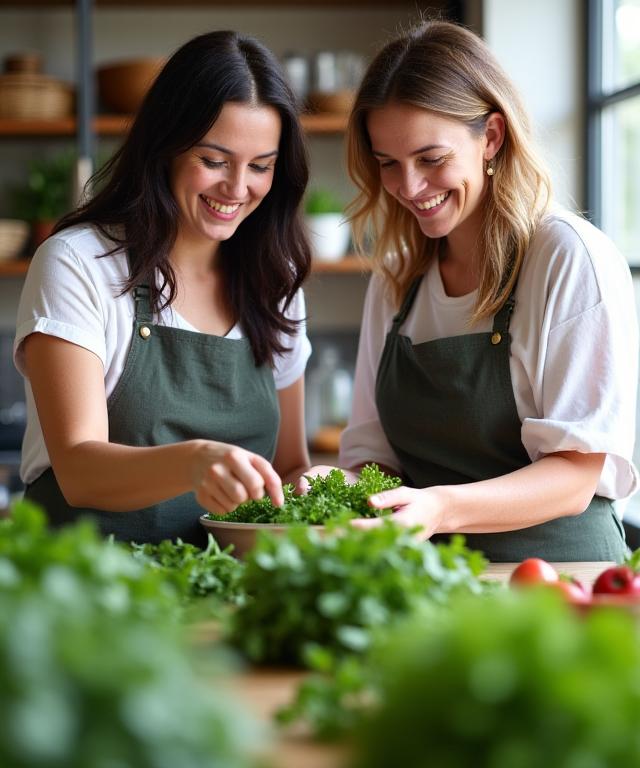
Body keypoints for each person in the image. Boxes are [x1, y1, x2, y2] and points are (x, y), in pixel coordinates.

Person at [307, 19, 639, 562]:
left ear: (491, 136)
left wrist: (439, 508)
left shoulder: (568, 258)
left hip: (560, 581)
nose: (409, 188)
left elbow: (576, 476)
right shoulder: (396, 280)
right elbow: (378, 463)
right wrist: (332, 485)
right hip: (435, 579)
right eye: (388, 164)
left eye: (431, 159)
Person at [14, 30, 313, 545]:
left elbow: (288, 466)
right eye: (214, 161)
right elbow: (79, 470)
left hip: (227, 587)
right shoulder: (80, 263)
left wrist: (313, 485)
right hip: (87, 585)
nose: (238, 188)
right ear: (166, 147)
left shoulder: (276, 278)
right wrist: (195, 461)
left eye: (260, 166)